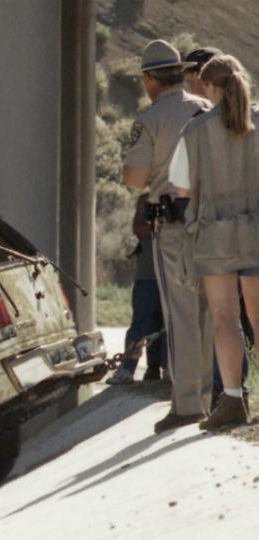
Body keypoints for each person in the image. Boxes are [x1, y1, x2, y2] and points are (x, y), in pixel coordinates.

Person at [122, 39, 213, 432]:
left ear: (149, 80)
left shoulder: (151, 117)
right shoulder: (208, 110)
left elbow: (135, 178)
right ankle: (215, 396)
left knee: (180, 315)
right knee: (211, 312)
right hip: (211, 223)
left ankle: (187, 402)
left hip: (172, 225)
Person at [171, 54, 259, 431]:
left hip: (215, 235)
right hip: (257, 230)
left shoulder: (195, 131)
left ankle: (234, 401)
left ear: (209, 88)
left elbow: (181, 186)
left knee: (225, 319)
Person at [106, 196, 167, 384]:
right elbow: (138, 228)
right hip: (147, 274)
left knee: (169, 324)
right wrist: (160, 229)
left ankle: (165, 368)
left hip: (171, 274)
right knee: (141, 322)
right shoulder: (146, 199)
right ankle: (127, 369)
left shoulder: (180, 195)